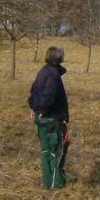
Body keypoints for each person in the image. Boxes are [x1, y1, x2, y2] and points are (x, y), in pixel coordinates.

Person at [28, 46, 70, 189]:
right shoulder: (52, 74)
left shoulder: (43, 71)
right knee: (55, 151)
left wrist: (34, 108)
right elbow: (49, 95)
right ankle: (56, 184)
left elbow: (33, 91)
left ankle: (46, 181)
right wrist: (42, 109)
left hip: (43, 118)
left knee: (46, 151)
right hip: (52, 118)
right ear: (58, 57)